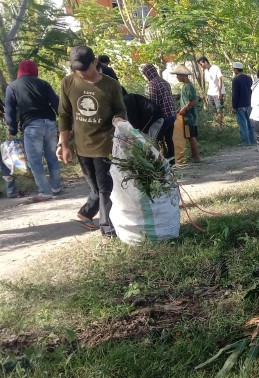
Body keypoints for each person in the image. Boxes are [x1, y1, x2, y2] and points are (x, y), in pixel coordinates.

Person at [57, 45, 127, 236]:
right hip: (81, 146)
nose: (81, 72)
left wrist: (119, 119)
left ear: (95, 62)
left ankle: (107, 231)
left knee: (105, 188)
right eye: (76, 68)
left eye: (84, 68)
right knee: (96, 187)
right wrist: (64, 145)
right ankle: (86, 213)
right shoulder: (68, 83)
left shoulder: (111, 85)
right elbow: (64, 115)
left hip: (105, 143)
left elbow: (120, 109)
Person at [4, 60, 61, 202]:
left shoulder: (13, 86)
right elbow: (56, 103)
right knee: (52, 157)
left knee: (34, 160)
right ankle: (56, 188)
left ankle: (45, 192)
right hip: (50, 123)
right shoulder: (43, 84)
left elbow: (10, 111)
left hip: (32, 126)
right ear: (35, 70)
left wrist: (12, 129)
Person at [141, 63, 178, 162]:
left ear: (147, 73)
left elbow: (153, 103)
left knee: (159, 139)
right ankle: (172, 161)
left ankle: (164, 160)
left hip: (163, 117)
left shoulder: (153, 84)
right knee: (169, 139)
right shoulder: (164, 82)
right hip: (172, 115)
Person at [171, 65, 201, 162]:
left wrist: (183, 109)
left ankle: (196, 157)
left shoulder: (188, 86)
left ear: (183, 76)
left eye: (178, 75)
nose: (177, 77)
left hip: (190, 117)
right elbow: (186, 101)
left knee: (191, 136)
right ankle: (194, 155)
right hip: (188, 116)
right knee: (190, 136)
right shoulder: (185, 86)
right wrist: (180, 109)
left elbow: (192, 101)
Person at [231, 61, 255, 146]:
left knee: (242, 125)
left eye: (233, 69)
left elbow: (235, 94)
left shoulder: (235, 80)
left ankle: (246, 142)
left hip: (240, 105)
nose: (233, 70)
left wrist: (234, 106)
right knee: (250, 124)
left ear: (236, 70)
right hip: (249, 103)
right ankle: (253, 140)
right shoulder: (249, 78)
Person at [198, 56, 225, 125]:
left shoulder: (215, 67)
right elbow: (209, 83)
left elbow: (220, 79)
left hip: (217, 93)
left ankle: (220, 126)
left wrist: (219, 92)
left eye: (201, 64)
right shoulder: (206, 71)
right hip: (210, 93)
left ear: (206, 62)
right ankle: (216, 125)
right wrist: (207, 94)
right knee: (213, 110)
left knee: (219, 110)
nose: (201, 66)